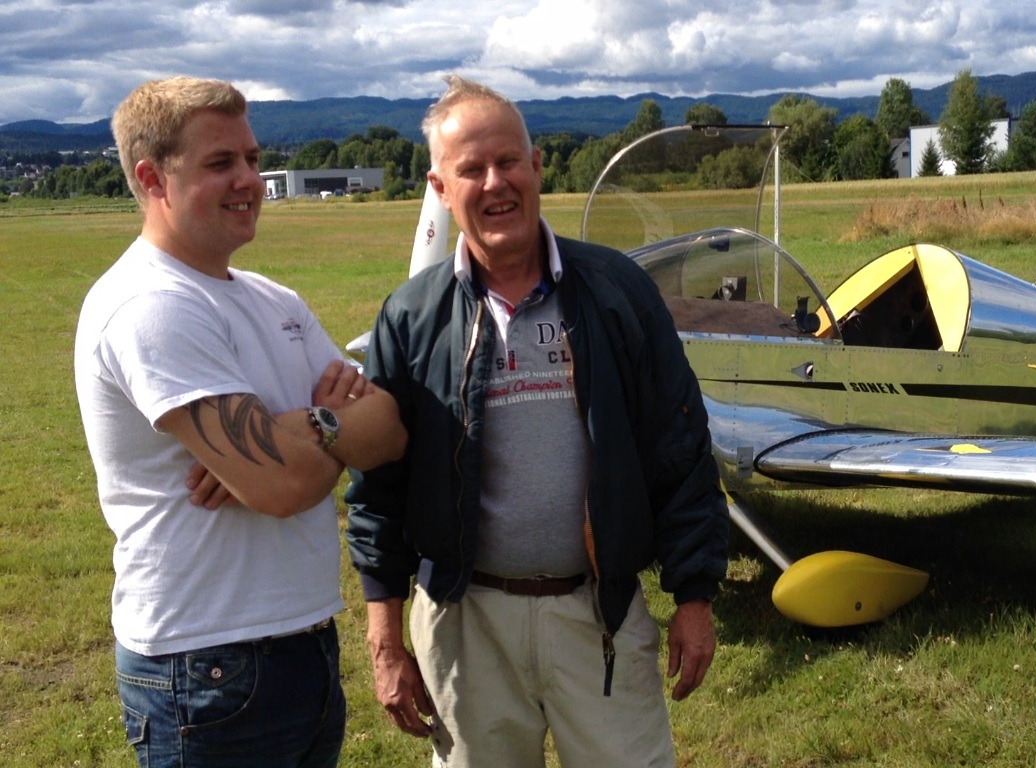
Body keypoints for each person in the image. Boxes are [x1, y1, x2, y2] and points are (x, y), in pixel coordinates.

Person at [344, 75, 729, 768]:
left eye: (508, 161)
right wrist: (385, 637)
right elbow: (379, 487)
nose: (495, 183)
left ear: (538, 165)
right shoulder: (411, 316)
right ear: (440, 188)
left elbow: (679, 448)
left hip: (598, 611)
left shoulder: (618, 291)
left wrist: (695, 595)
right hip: (466, 622)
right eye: (471, 169)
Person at [74, 76, 407, 768]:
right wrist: (327, 429)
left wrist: (302, 427)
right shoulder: (150, 304)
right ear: (152, 179)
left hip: (301, 643)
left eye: (252, 159)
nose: (249, 180)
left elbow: (389, 432)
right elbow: (283, 488)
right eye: (221, 162)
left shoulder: (272, 300)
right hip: (206, 665)